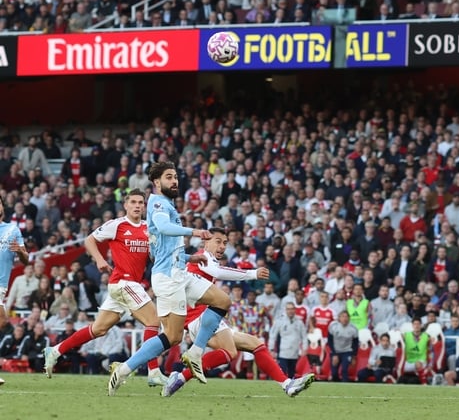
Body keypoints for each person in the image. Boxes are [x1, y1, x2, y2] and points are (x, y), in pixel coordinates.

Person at [108, 162, 231, 396]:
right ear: (157, 182)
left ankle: (195, 353)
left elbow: (162, 249)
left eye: (175, 177)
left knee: (223, 301)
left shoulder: (168, 204)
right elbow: (164, 228)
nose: (174, 181)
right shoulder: (156, 201)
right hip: (168, 279)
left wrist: (190, 257)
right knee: (172, 337)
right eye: (168, 177)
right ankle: (124, 369)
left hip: (179, 272)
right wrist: (193, 232)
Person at [162, 228, 314, 397]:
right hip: (199, 318)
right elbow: (219, 272)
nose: (222, 246)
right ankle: (179, 377)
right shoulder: (202, 258)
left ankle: (287, 384)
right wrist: (252, 273)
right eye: (218, 241)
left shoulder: (207, 259)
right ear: (206, 242)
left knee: (254, 343)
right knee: (230, 352)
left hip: (204, 316)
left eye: (225, 243)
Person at [44, 189, 168, 386]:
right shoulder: (117, 225)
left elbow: (152, 256)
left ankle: (55, 350)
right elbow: (89, 240)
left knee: (99, 329)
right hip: (123, 282)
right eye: (133, 202)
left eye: (140, 203)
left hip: (128, 286)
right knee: (153, 321)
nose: (137, 205)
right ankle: (153, 372)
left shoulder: (147, 228)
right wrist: (100, 259)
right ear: (125, 205)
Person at [0, 194, 30, 333]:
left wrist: (19, 251)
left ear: (3, 207)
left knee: (2, 321)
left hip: (2, 283)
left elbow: (26, 260)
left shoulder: (13, 229)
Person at [328, 310, 359, 382]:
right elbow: (330, 341)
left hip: (347, 351)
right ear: (339, 318)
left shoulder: (353, 328)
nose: (345, 318)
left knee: (344, 369)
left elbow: (355, 343)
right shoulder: (333, 326)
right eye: (343, 316)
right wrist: (334, 354)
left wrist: (354, 356)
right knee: (334, 373)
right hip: (336, 351)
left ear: (349, 318)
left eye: (346, 317)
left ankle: (346, 387)